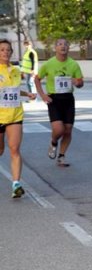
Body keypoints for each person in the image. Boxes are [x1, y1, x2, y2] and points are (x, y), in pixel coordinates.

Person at [34, 38, 84, 167]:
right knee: (59, 129)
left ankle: (61, 156)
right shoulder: (48, 64)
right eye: (60, 44)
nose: (63, 46)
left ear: (68, 48)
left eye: (66, 44)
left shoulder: (73, 64)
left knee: (68, 130)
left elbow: (80, 83)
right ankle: (54, 142)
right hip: (54, 99)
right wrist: (43, 95)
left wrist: (77, 82)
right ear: (55, 48)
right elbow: (37, 79)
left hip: (68, 99)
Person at [0, 39, 37, 198]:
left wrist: (26, 94)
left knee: (14, 149)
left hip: (15, 114)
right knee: (0, 150)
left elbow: (13, 90)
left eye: (8, 50)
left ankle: (16, 184)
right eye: (2, 50)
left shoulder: (15, 70)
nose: (5, 52)